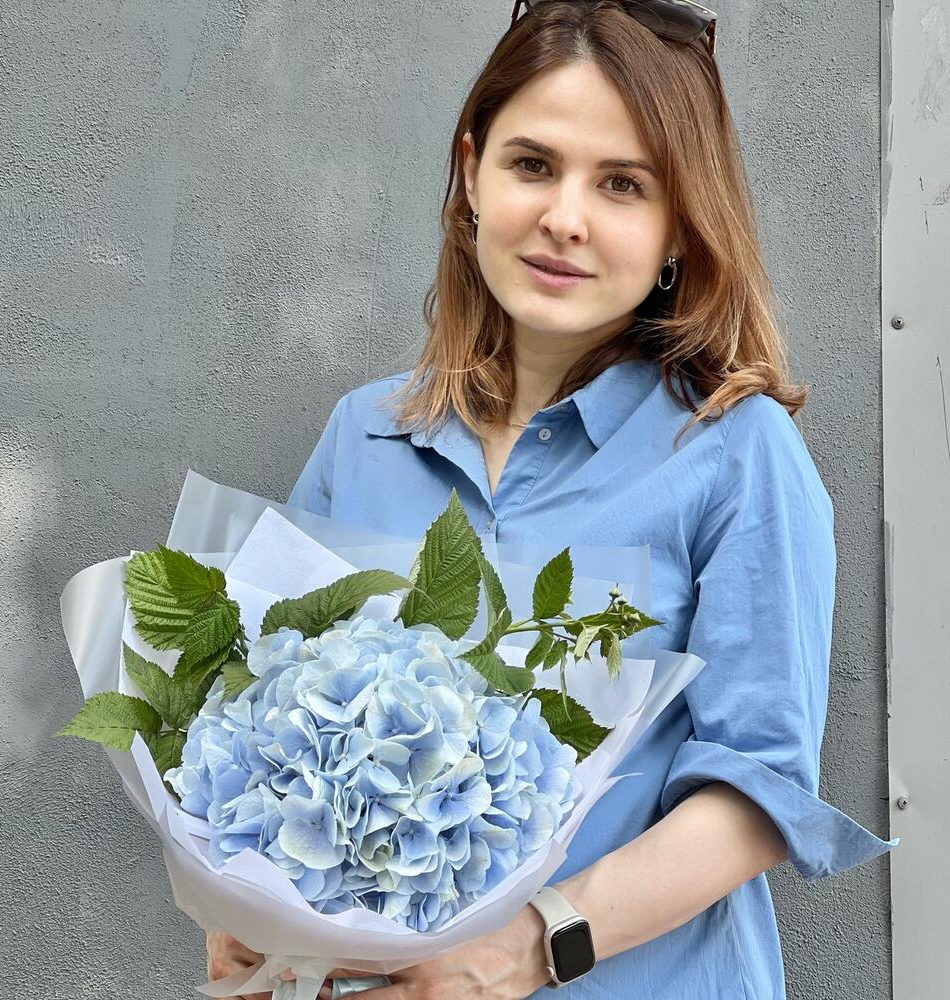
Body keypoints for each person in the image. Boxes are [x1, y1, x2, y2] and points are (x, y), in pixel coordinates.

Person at [206, 2, 898, 997]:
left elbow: (756, 797)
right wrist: (243, 898)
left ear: (678, 225)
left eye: (623, 184)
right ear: (471, 175)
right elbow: (265, 722)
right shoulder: (362, 437)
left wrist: (524, 949)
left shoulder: (737, 454)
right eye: (533, 164)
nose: (566, 218)